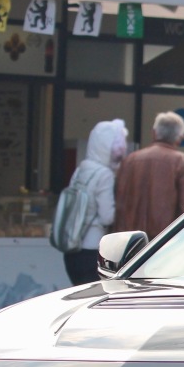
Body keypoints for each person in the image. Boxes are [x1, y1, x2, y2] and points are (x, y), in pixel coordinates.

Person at [113, 111, 184, 240]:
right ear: (180, 138)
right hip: (162, 247)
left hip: (130, 244)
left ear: (154, 133)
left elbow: (119, 205)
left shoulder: (129, 161)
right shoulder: (183, 163)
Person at [64, 119, 127, 285]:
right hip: (92, 250)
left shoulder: (81, 169)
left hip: (72, 247)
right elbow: (107, 217)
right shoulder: (104, 175)